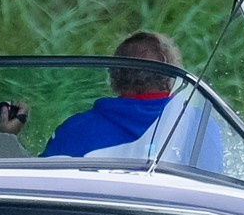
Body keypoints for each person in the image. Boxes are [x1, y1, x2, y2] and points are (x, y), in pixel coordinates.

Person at [41, 31, 182, 157]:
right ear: (169, 78)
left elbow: (40, 179)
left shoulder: (75, 130)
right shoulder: (195, 124)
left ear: (114, 75)